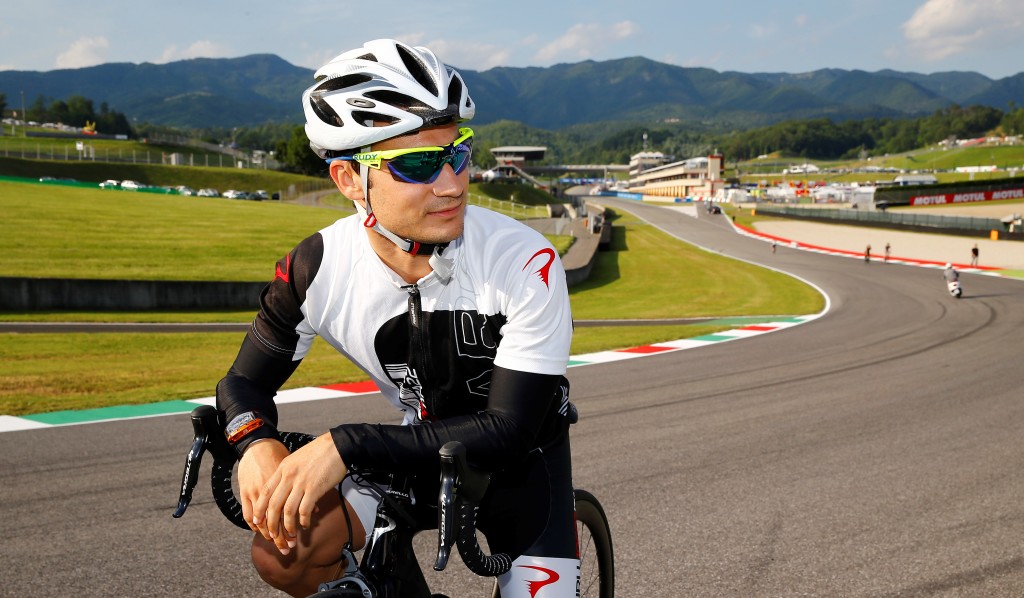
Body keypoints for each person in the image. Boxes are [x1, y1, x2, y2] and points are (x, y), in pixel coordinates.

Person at [215, 39, 578, 597]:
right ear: (348, 181)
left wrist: (344, 445)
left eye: (458, 152)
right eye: (417, 165)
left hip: (522, 465)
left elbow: (508, 430)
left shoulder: (522, 259)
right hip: (417, 454)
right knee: (283, 555)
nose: (453, 183)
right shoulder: (317, 267)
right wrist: (255, 443)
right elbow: (242, 383)